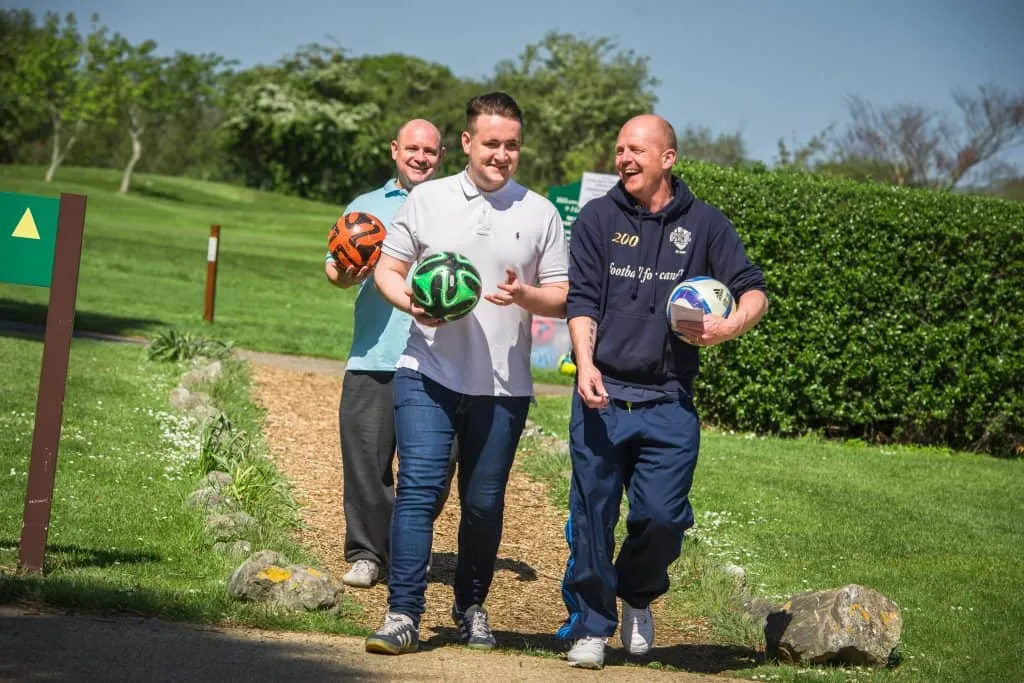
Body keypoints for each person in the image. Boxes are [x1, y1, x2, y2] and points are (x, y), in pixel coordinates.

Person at [556, 114, 768, 669]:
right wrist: (584, 365)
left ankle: (639, 595)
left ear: (668, 158)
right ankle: (594, 627)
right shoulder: (600, 218)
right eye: (619, 149)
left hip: (669, 401)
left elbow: (753, 290)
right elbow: (581, 300)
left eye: (636, 150)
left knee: (663, 517)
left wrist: (728, 327)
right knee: (594, 514)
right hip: (602, 394)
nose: (623, 159)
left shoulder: (705, 225)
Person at [364, 91, 569, 655]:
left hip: (503, 387)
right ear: (467, 143)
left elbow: (562, 294)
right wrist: (411, 304)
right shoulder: (428, 199)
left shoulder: (540, 212)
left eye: (512, 146)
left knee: (483, 503)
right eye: (492, 144)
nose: (502, 155)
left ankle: (470, 607)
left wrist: (526, 294)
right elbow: (390, 268)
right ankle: (402, 614)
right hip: (426, 371)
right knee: (419, 491)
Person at [325, 118, 454, 589]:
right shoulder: (366, 206)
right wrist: (349, 269)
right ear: (395, 151)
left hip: (440, 358)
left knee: (435, 466)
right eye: (413, 149)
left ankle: (405, 545)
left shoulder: (455, 206)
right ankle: (366, 553)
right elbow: (334, 272)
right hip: (374, 354)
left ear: (441, 156)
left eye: (431, 151)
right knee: (365, 462)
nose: (422, 158)